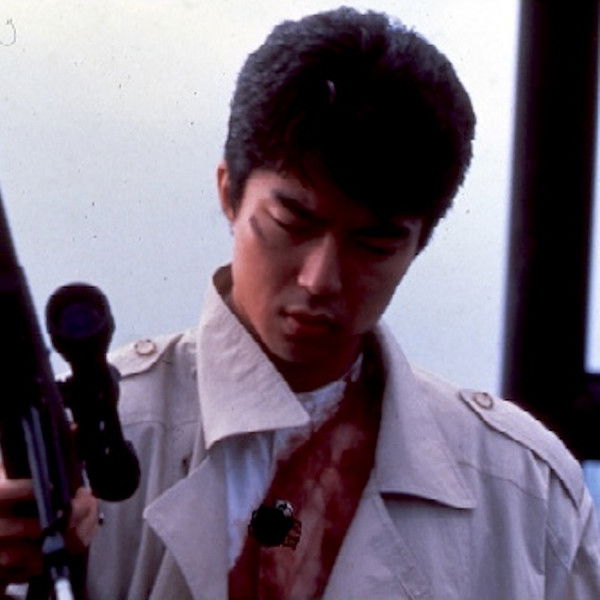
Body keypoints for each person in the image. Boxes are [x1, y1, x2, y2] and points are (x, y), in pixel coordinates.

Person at [1, 6, 599, 599]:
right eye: (293, 221)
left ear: (420, 243)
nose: (320, 279)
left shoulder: (523, 491)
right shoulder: (77, 443)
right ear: (229, 191)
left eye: (374, 243)